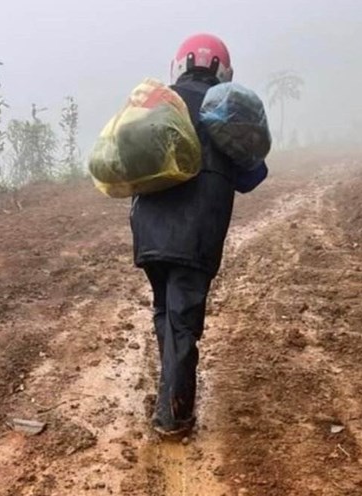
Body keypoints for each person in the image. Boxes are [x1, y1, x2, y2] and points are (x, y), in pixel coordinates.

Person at [130, 33, 268, 437]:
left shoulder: (157, 103)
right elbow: (252, 176)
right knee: (184, 319)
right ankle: (175, 414)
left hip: (149, 231)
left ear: (180, 65)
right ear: (222, 69)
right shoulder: (228, 108)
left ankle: (168, 393)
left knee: (166, 311)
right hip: (198, 233)